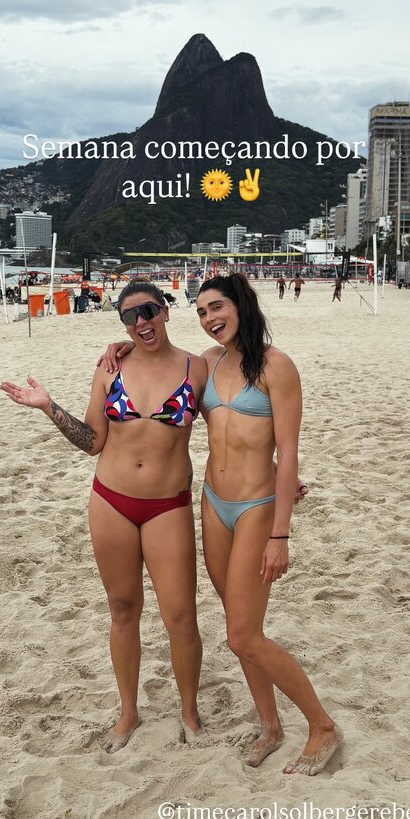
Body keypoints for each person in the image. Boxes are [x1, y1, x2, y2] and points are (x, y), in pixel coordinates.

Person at [101, 277, 338, 776]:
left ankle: (321, 726)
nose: (210, 318)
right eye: (203, 311)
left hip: (256, 508)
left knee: (243, 635)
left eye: (217, 307)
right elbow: (161, 365)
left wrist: (281, 533)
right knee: (238, 623)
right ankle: (270, 726)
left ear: (241, 306)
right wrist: (119, 346)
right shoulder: (208, 363)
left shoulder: (277, 366)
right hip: (212, 503)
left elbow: (288, 452)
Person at [0, 281, 208, 753]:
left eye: (149, 310)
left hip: (168, 504)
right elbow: (93, 441)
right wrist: (48, 407)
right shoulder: (110, 368)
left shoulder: (197, 368)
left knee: (180, 615)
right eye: (129, 317)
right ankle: (128, 711)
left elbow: (233, 422)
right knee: (122, 608)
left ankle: (190, 712)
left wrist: (274, 467)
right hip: (111, 502)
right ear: (122, 324)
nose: (141, 322)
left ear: (166, 311)